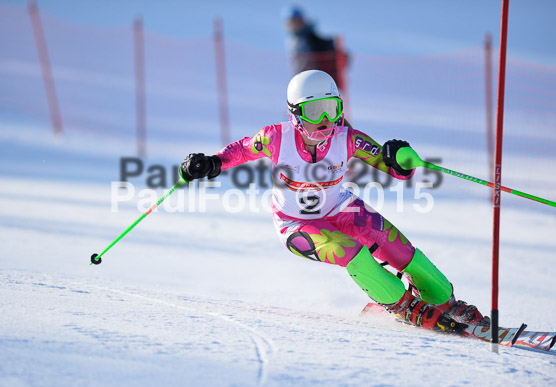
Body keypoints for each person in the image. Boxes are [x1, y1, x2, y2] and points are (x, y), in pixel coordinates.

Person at [180, 70, 488, 334]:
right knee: (352, 253)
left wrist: (399, 157)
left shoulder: (346, 137)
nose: (326, 120)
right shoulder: (276, 137)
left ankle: (445, 301)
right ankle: (404, 306)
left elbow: (391, 166)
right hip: (296, 224)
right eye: (315, 112)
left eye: (332, 108)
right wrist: (210, 163)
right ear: (295, 114)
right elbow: (241, 150)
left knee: (399, 248)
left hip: (341, 208)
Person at [284, 6, 347, 91]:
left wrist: (337, 55)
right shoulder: (292, 40)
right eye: (290, 22)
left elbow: (325, 48)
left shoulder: (310, 37)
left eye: (295, 21)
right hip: (302, 80)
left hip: (317, 77)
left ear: (301, 21)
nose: (293, 25)